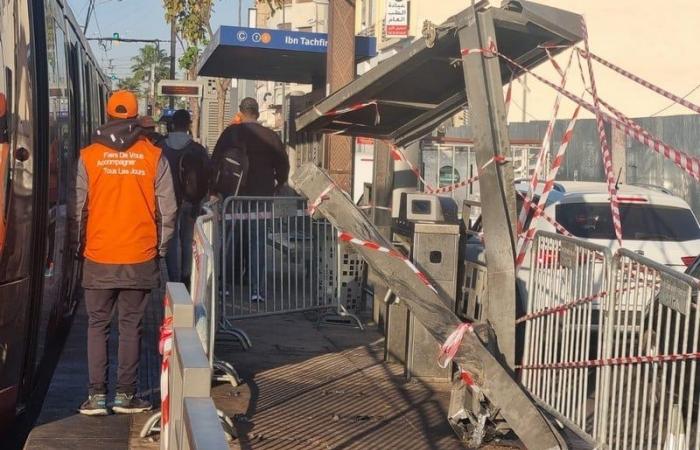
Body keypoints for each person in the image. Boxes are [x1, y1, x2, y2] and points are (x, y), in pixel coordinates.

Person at [73, 90, 177, 416]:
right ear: (135, 116)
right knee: (131, 325)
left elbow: (79, 209)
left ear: (108, 114)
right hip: (139, 254)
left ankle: (96, 397)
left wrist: (80, 247)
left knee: (97, 325)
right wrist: (160, 248)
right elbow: (169, 210)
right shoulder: (153, 156)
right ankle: (126, 396)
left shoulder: (88, 156)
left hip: (98, 254)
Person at [212, 97, 289, 302]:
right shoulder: (271, 136)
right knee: (258, 243)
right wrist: (278, 184)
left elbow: (215, 161)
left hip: (234, 197)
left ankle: (223, 286)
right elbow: (283, 164)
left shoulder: (230, 133)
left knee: (229, 242)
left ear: (241, 111)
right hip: (261, 197)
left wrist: (214, 190)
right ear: (258, 113)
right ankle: (257, 290)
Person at [161, 109, 209, 289]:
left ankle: (173, 280)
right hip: (191, 201)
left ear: (172, 124)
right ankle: (186, 276)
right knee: (188, 239)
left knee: (171, 240)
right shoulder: (197, 149)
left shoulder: (161, 147)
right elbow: (206, 175)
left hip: (167, 202)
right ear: (188, 125)